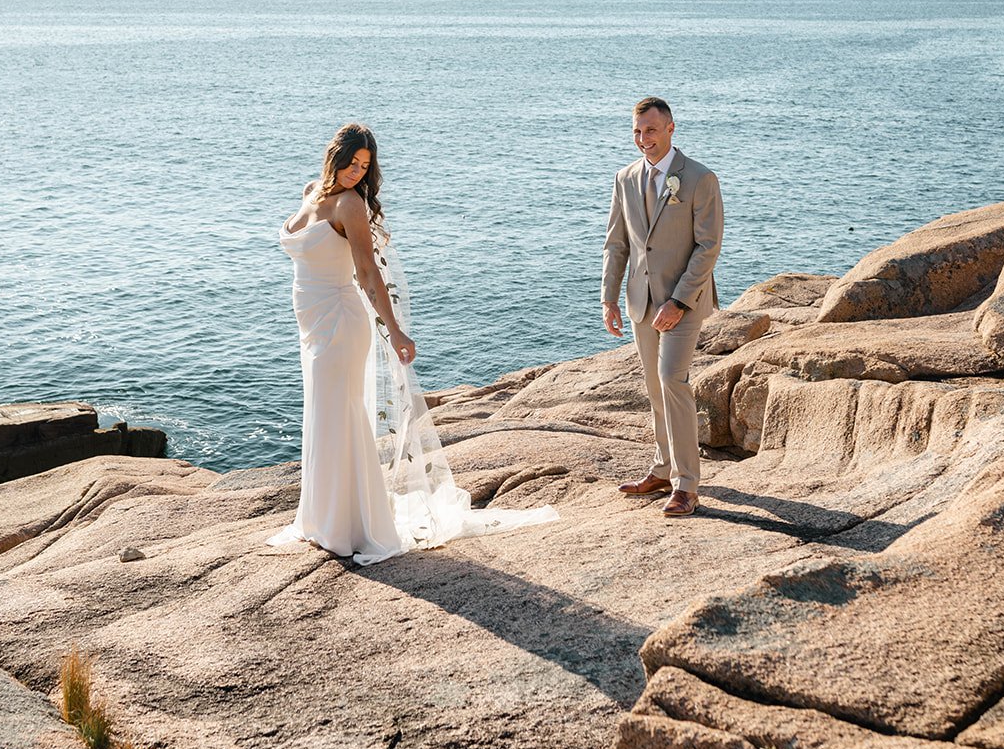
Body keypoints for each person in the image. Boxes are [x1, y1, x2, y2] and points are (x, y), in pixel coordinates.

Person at [269, 123, 557, 564]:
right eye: (351, 162)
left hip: (341, 322)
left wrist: (395, 330)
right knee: (324, 414)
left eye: (364, 166)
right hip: (311, 323)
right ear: (334, 156)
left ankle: (346, 527)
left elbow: (368, 272)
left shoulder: (350, 205)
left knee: (338, 415)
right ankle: (322, 517)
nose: (356, 172)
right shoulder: (312, 192)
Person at [602, 97, 723, 519]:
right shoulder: (625, 178)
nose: (643, 139)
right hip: (641, 299)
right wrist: (609, 297)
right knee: (654, 386)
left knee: (673, 379)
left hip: (684, 301)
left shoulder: (699, 178)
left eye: (651, 130)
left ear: (671, 128)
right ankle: (662, 468)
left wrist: (678, 300)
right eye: (637, 131)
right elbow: (617, 243)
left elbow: (708, 247)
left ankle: (687, 485)